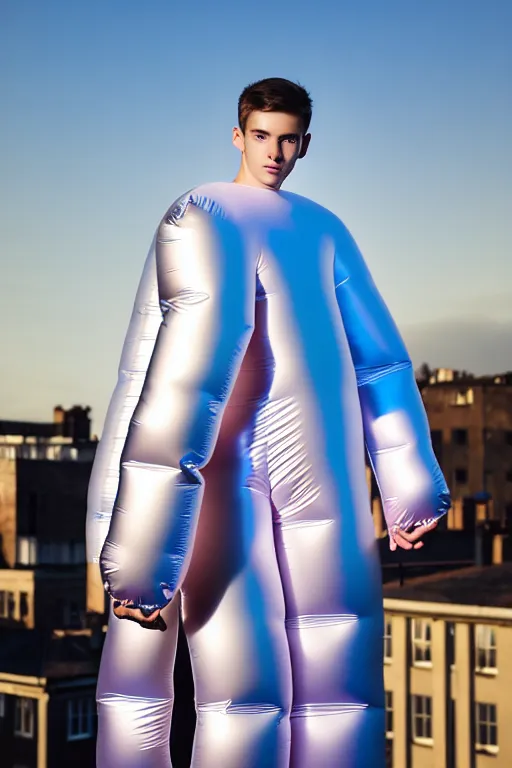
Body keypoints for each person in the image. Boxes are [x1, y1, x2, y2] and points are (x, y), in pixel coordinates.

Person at [86, 77, 450, 768]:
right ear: (238, 134)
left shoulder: (324, 228)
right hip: (225, 477)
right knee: (244, 692)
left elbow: (379, 359)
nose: (276, 151)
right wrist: (141, 561)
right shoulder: (205, 215)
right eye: (263, 136)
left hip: (323, 471)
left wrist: (411, 487)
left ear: (305, 143)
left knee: (340, 684)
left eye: (289, 139)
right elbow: (183, 379)